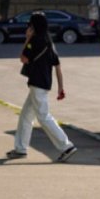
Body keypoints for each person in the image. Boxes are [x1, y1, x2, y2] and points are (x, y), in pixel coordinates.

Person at [7, 12, 77, 162]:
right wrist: (60, 87)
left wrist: (27, 38)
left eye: (30, 25)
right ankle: (20, 149)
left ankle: (66, 146)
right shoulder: (49, 41)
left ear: (33, 26)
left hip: (37, 85)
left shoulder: (36, 40)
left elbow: (23, 58)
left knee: (44, 117)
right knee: (26, 115)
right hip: (44, 84)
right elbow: (57, 65)